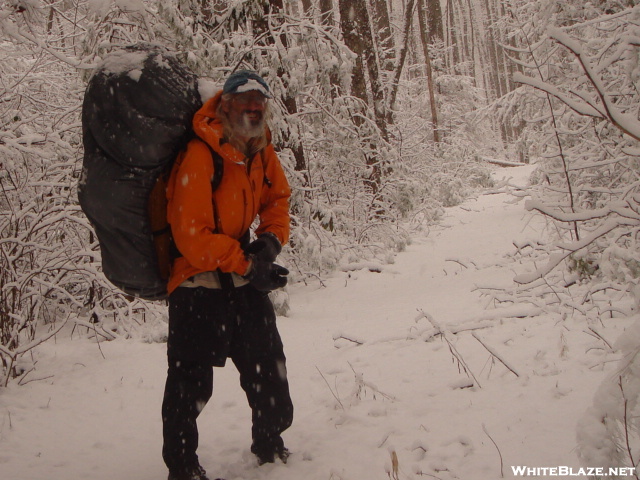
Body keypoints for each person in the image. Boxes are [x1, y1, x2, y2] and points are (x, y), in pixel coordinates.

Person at [161, 70, 294, 480]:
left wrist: (270, 241)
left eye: (260, 102)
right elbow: (191, 236)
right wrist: (249, 264)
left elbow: (278, 198)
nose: (254, 108)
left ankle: (270, 442)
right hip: (197, 285)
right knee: (189, 385)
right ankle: (183, 469)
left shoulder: (260, 150)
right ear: (226, 106)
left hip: (240, 279)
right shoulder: (200, 156)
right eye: (245, 101)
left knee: (268, 370)